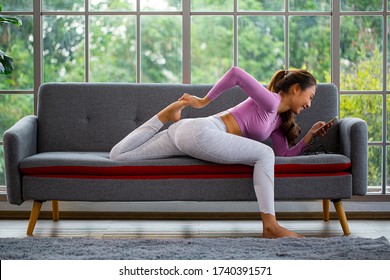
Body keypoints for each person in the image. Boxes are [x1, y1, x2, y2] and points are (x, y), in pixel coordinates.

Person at [110, 66, 332, 238]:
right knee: (264, 153)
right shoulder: (271, 100)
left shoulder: (278, 120)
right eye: (310, 96)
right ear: (295, 89)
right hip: (202, 132)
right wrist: (202, 101)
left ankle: (165, 116)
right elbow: (236, 73)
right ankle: (271, 225)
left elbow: (283, 156)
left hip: (186, 133)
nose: (310, 105)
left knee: (118, 156)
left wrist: (310, 136)